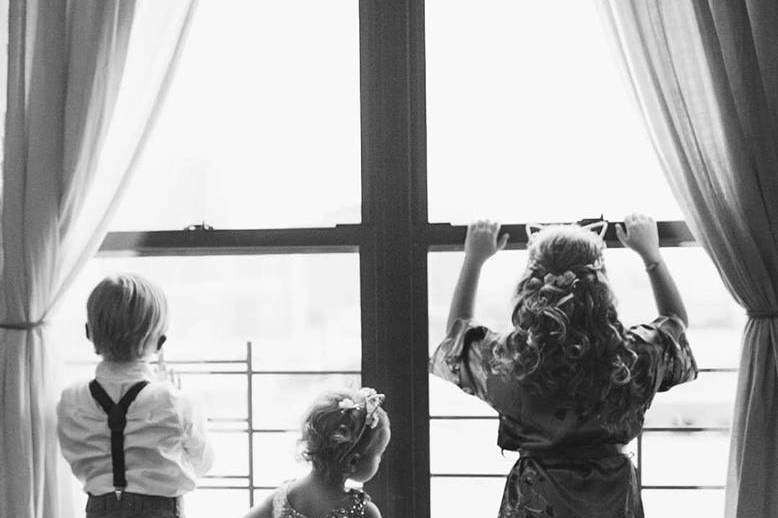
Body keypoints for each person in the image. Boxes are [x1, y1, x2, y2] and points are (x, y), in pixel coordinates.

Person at [430, 214, 697, 518]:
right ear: (600, 286)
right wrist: (652, 256)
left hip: (537, 495)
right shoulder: (629, 356)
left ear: (532, 286)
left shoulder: (511, 361)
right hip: (611, 494)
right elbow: (675, 323)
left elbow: (458, 333)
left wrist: (474, 259)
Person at [57, 273, 213, 518]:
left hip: (99, 509)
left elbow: (73, 457)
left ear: (89, 333)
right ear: (160, 342)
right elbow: (203, 462)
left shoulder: (71, 399)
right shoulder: (175, 400)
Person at [245, 387, 390, 518]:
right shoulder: (365, 512)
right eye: (379, 454)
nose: (380, 460)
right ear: (353, 461)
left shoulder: (282, 498)